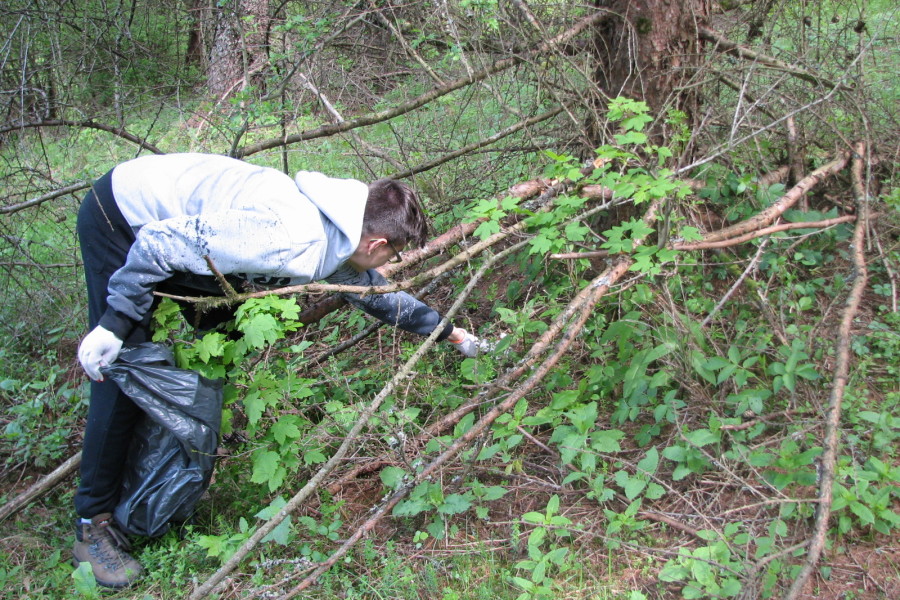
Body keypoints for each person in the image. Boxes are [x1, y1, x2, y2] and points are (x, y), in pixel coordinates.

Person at [73, 153, 491, 587]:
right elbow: (159, 242)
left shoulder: (340, 230)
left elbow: (378, 296)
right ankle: (92, 524)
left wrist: (452, 334)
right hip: (122, 216)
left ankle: (153, 482)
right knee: (120, 368)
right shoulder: (290, 239)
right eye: (394, 254)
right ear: (376, 245)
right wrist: (115, 323)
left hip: (171, 228)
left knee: (219, 331)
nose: (388, 264)